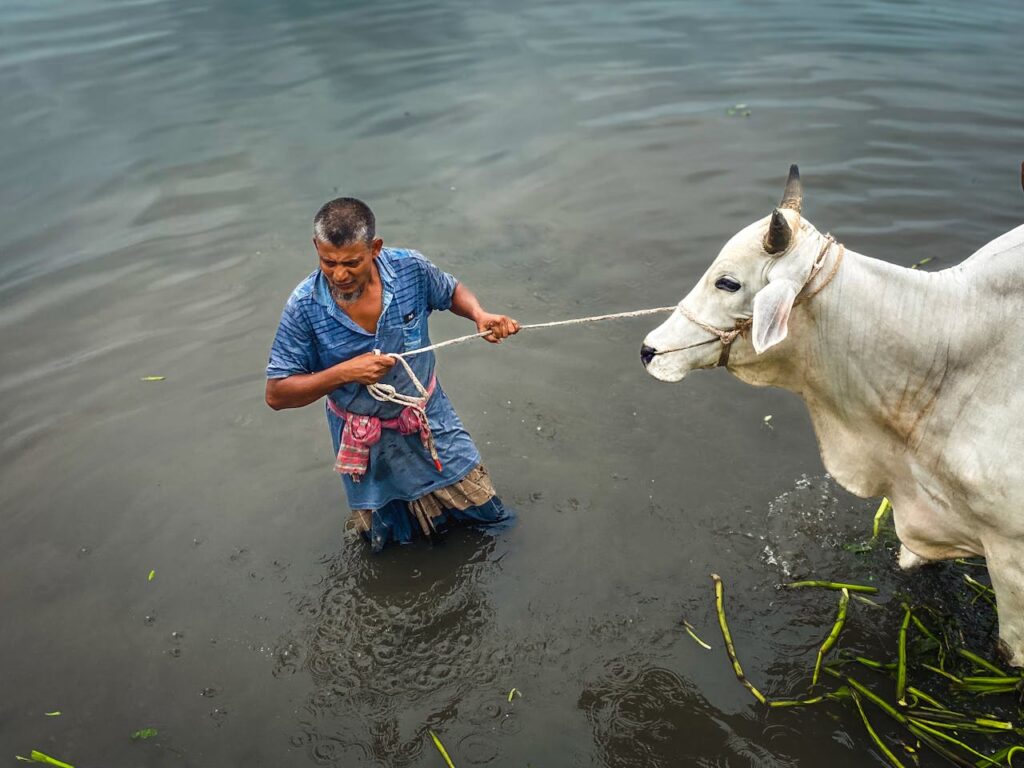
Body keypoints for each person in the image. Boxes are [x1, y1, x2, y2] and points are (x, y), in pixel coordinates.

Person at [265, 197, 520, 551]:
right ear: (316, 249)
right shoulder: (304, 306)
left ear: (375, 249)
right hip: (367, 444)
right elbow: (277, 394)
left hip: (429, 421)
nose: (340, 275)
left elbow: (450, 290)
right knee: (391, 545)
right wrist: (343, 373)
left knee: (493, 520)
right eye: (329, 262)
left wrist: (479, 314)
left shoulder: (409, 269)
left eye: (352, 262)